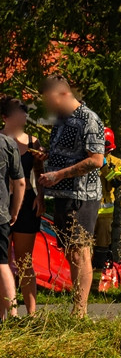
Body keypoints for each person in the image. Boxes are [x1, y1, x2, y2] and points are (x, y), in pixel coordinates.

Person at [37, 74, 105, 317]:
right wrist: (48, 154)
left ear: (64, 94)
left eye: (51, 100)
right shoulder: (61, 121)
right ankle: (78, 307)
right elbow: (66, 151)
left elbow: (96, 160)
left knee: (79, 250)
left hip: (81, 195)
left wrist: (59, 174)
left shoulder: (89, 119)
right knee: (70, 251)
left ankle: (80, 311)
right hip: (63, 195)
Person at [2, 97, 43, 316]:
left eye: (24, 113)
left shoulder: (33, 142)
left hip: (27, 202)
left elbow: (40, 171)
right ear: (6, 117)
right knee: (3, 261)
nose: (23, 117)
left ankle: (32, 315)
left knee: (25, 261)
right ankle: (9, 314)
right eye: (19, 113)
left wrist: (41, 197)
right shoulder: (0, 140)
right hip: (3, 202)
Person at [91, 128, 121, 291]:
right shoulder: (88, 158)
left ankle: (94, 286)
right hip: (88, 209)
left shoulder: (116, 162)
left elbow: (118, 182)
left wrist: (104, 166)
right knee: (84, 248)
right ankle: (80, 283)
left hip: (105, 213)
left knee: (101, 249)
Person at [0, 129, 25, 320]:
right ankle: (13, 315)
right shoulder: (8, 144)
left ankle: (9, 315)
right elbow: (20, 183)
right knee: (2, 264)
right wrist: (14, 210)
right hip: (1, 213)